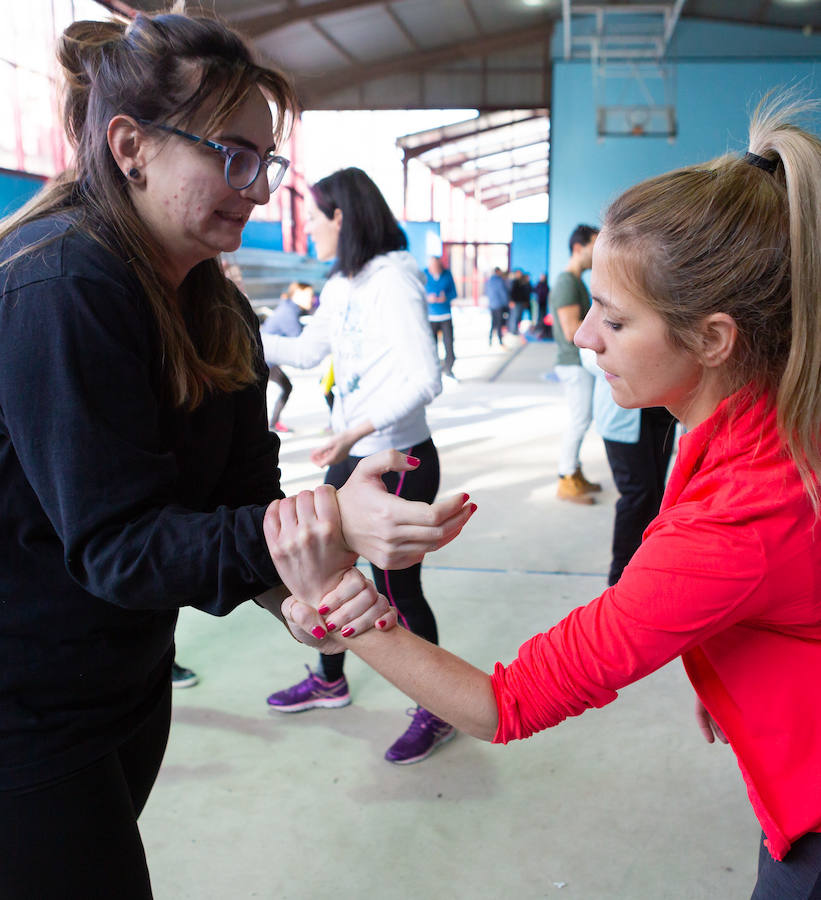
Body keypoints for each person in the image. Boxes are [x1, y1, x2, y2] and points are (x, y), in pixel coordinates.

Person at [269, 95, 821, 899]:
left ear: (712, 338)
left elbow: (502, 704)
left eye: (614, 320)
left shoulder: (733, 522)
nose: (584, 334)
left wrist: (336, 598)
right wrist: (729, 665)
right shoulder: (756, 421)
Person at [0, 11, 472, 898]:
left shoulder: (213, 307)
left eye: (264, 162)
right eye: (231, 156)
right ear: (131, 146)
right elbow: (118, 547)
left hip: (122, 680)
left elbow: (241, 497)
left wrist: (295, 592)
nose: (254, 189)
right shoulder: (63, 283)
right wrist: (332, 519)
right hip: (27, 706)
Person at [261, 167, 456, 765]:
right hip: (352, 456)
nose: (309, 230)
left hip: (398, 460)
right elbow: (305, 350)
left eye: (314, 218)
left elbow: (425, 379)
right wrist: (229, 325)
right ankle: (330, 681)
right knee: (327, 574)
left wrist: (355, 429)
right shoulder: (343, 281)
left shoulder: (392, 279)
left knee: (397, 590)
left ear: (340, 217)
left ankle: (438, 709)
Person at [580, 349, 677, 585]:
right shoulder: (602, 326)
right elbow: (590, 357)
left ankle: (648, 568)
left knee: (657, 494)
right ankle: (620, 579)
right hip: (623, 416)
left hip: (662, 411)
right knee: (637, 495)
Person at [550, 224, 601, 504]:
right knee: (579, 421)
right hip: (573, 362)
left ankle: (574, 473)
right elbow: (572, 330)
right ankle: (566, 477)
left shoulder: (576, 281)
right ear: (578, 247)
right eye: (595, 244)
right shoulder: (567, 282)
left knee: (582, 419)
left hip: (578, 363)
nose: (599, 251)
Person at [261, 281, 316, 432]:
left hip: (267, 358)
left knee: (284, 387)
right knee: (281, 388)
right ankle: (270, 425)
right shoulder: (288, 312)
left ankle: (271, 424)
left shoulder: (290, 308)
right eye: (309, 295)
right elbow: (298, 338)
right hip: (265, 359)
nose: (311, 299)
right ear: (297, 294)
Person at [424, 254, 458, 380]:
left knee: (449, 343)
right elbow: (418, 294)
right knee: (431, 346)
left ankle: (448, 369)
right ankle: (434, 370)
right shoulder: (424, 275)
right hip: (430, 317)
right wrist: (428, 298)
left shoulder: (447, 275)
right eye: (432, 266)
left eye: (436, 266)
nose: (434, 268)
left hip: (445, 315)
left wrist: (446, 298)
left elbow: (454, 293)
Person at [485, 266, 510, 346]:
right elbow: (503, 293)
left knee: (493, 323)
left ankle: (490, 340)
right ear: (498, 272)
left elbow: (487, 292)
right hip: (499, 305)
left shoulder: (489, 281)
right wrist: (506, 303)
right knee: (499, 323)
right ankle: (500, 341)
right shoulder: (499, 281)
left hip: (492, 305)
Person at [507, 268, 531, 338]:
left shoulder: (522, 282)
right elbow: (510, 292)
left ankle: (515, 330)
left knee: (518, 317)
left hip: (521, 302)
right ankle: (513, 331)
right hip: (515, 302)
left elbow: (525, 293)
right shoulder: (513, 282)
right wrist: (511, 301)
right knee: (514, 317)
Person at [533, 273, 550, 339]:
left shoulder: (545, 285)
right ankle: (538, 329)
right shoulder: (538, 284)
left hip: (544, 303)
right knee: (538, 316)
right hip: (538, 303)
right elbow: (535, 290)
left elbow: (547, 292)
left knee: (543, 316)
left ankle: (542, 330)